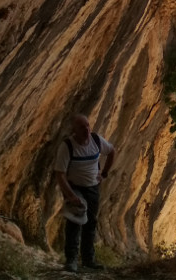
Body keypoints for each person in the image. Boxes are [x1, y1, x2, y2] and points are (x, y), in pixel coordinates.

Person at [53, 113, 115, 272]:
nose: (86, 129)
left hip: (93, 187)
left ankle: (88, 260)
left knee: (90, 223)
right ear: (74, 129)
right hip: (75, 187)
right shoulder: (67, 146)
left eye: (87, 125)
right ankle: (71, 260)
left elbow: (111, 151)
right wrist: (71, 196)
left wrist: (105, 173)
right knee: (75, 221)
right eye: (81, 126)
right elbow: (60, 174)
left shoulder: (96, 140)